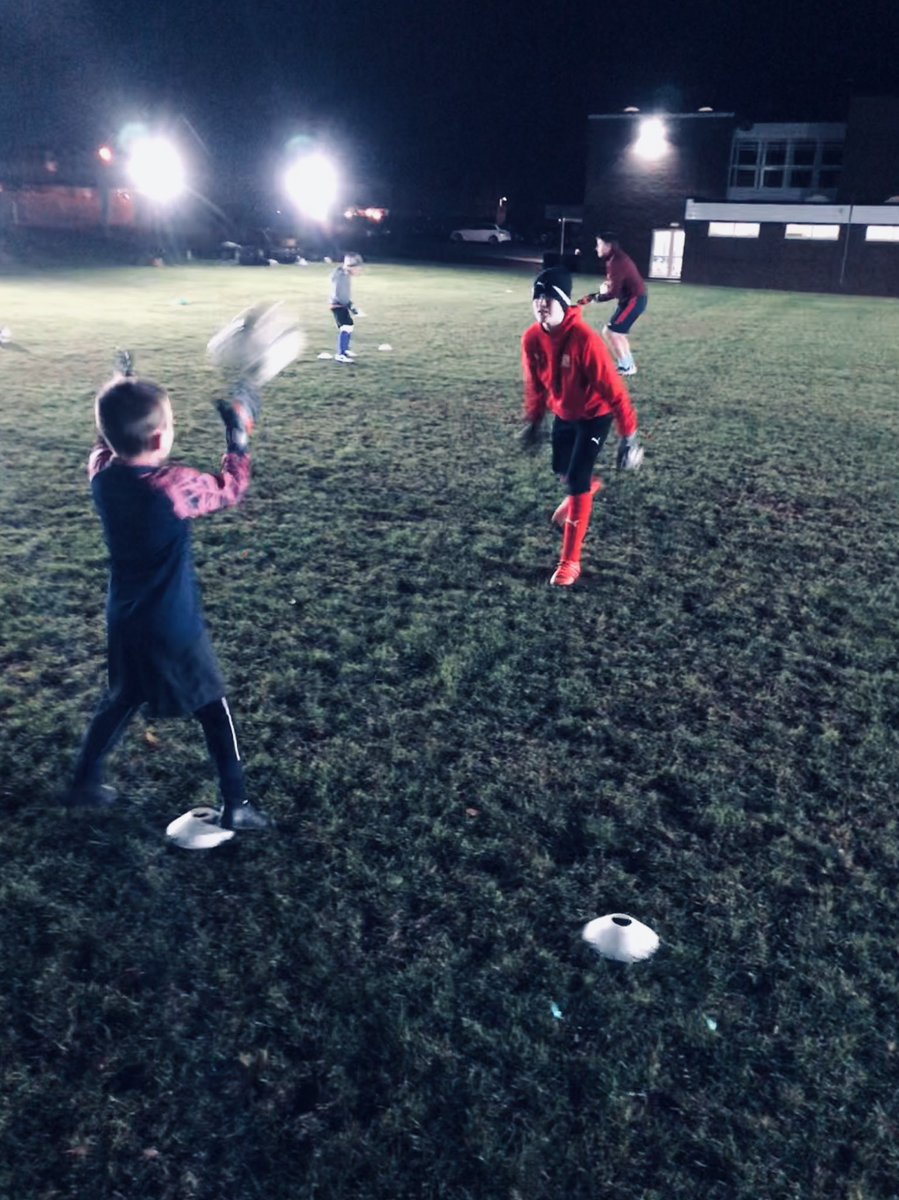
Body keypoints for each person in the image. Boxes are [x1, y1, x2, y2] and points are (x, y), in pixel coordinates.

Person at [63, 353, 271, 832]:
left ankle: (84, 781)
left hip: (125, 617)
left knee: (121, 697)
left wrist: (121, 385)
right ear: (159, 439)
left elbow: (103, 442)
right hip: (172, 625)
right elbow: (230, 489)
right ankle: (236, 804)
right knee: (213, 706)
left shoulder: (101, 475)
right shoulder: (173, 486)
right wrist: (238, 437)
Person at [521, 266, 642, 587]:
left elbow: (615, 392)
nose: (541, 304)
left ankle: (570, 562)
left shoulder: (585, 340)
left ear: (563, 301)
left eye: (548, 297)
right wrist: (534, 420)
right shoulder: (532, 338)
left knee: (576, 479)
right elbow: (535, 384)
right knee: (562, 470)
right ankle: (586, 486)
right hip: (564, 414)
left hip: (594, 416)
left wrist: (629, 437)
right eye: (537, 296)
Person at [577, 233, 647, 376]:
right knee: (618, 334)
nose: (596, 248)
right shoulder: (615, 259)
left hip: (634, 300)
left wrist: (597, 297)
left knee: (611, 332)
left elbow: (613, 293)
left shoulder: (617, 262)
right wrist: (597, 294)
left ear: (608, 246)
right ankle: (627, 365)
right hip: (630, 300)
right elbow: (616, 285)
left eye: (599, 244)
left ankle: (626, 366)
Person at [329, 252, 363, 363]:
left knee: (349, 326)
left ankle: (345, 349)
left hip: (342, 304)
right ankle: (341, 354)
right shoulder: (340, 275)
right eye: (357, 268)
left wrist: (352, 307)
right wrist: (350, 307)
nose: (358, 271)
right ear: (350, 267)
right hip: (338, 305)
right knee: (346, 327)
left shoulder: (346, 275)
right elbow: (339, 294)